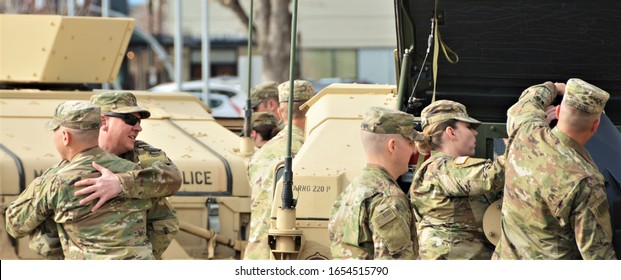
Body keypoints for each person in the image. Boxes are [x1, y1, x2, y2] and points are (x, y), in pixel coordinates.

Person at [30, 92, 182, 260]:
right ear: (103, 121)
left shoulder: (141, 155)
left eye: (139, 121)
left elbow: (172, 179)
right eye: (130, 120)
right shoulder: (68, 167)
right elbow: (38, 224)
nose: (138, 127)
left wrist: (121, 183)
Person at [5, 101, 155, 259]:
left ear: (65, 137)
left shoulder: (56, 181)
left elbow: (15, 226)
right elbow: (164, 221)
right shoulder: (136, 173)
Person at [493, 78, 616, 260]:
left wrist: (556, 88)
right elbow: (597, 255)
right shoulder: (585, 180)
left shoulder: (525, 131)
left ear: (558, 111)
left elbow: (528, 100)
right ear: (596, 126)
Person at [409, 100, 505, 259]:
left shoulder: (448, 169)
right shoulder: (439, 168)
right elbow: (493, 175)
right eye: (469, 127)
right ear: (451, 132)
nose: (475, 133)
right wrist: (528, 136)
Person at [328, 106, 420, 260]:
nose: (414, 150)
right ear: (392, 146)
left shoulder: (351, 190)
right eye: (410, 143)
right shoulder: (389, 198)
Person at [243, 80, 314, 260]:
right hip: (290, 254)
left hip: (256, 255)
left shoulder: (260, 154)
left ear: (280, 112)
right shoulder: (309, 152)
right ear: (311, 110)